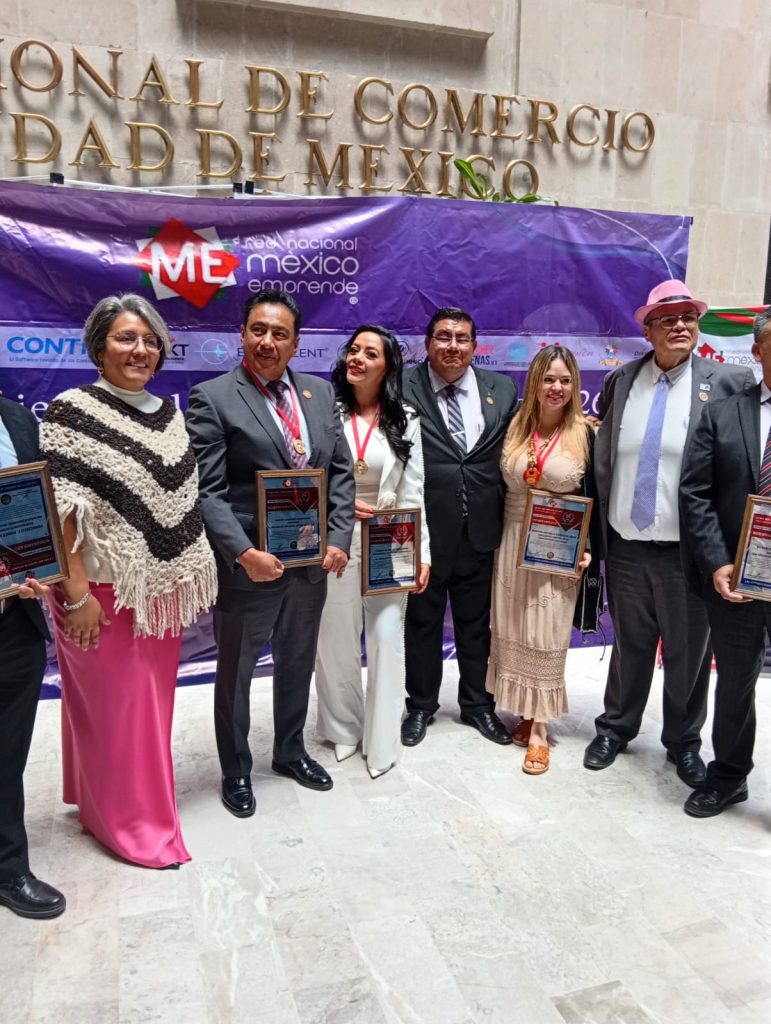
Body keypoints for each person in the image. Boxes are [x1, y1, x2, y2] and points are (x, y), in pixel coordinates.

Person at [40, 294, 217, 869]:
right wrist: (76, 596)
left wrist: (179, 571)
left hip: (155, 593)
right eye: (125, 338)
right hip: (97, 593)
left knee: (142, 710)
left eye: (149, 340)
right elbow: (62, 510)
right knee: (116, 714)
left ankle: (100, 803)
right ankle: (136, 827)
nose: (140, 349)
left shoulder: (168, 413)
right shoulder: (72, 411)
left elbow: (175, 500)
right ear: (99, 347)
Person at [186, 288, 355, 814]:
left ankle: (289, 752)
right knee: (235, 673)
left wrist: (339, 538)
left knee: (297, 662)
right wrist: (242, 553)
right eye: (258, 330)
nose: (267, 341)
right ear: (242, 334)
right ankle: (236, 769)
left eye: (280, 333)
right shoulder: (213, 397)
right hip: (251, 569)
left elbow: (340, 473)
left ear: (296, 343)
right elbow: (208, 492)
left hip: (310, 565)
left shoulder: (320, 394)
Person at [584, 280, 754, 786]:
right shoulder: (620, 381)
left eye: (688, 317)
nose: (680, 326)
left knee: (689, 653)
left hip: (690, 552)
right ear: (647, 330)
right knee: (629, 644)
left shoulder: (729, 382)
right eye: (668, 319)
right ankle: (616, 727)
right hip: (627, 546)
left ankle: (683, 742)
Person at [314, 325, 431, 779]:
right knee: (336, 637)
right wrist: (337, 505)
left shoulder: (405, 418)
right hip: (337, 537)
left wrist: (423, 553)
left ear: (387, 367)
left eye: (370, 353)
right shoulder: (325, 411)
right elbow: (310, 476)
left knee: (385, 636)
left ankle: (382, 738)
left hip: (390, 539)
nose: (357, 358)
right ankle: (344, 728)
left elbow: (414, 489)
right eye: (353, 350)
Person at [401, 306, 519, 747]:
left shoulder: (501, 389)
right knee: (422, 624)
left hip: (482, 529)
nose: (453, 346)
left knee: (476, 625)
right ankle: (420, 706)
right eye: (444, 337)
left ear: (474, 345)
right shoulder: (401, 386)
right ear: (428, 343)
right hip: (426, 532)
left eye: (462, 338)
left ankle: (478, 705)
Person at [679, 308, 770, 816]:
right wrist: (716, 561)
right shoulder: (722, 413)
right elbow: (696, 493)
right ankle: (729, 777)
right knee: (734, 684)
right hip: (737, 580)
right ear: (758, 352)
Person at [485, 346, 592, 774]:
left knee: (547, 632)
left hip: (557, 548)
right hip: (512, 541)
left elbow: (595, 496)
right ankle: (526, 711)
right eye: (549, 379)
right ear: (534, 383)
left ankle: (540, 731)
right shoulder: (514, 426)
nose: (557, 387)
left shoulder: (585, 433)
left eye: (565, 380)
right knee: (515, 628)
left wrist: (587, 547)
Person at [0, 396, 66, 918]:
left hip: (14, 622)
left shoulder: (17, 418)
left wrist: (40, 565)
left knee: (7, 753)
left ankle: (8, 867)